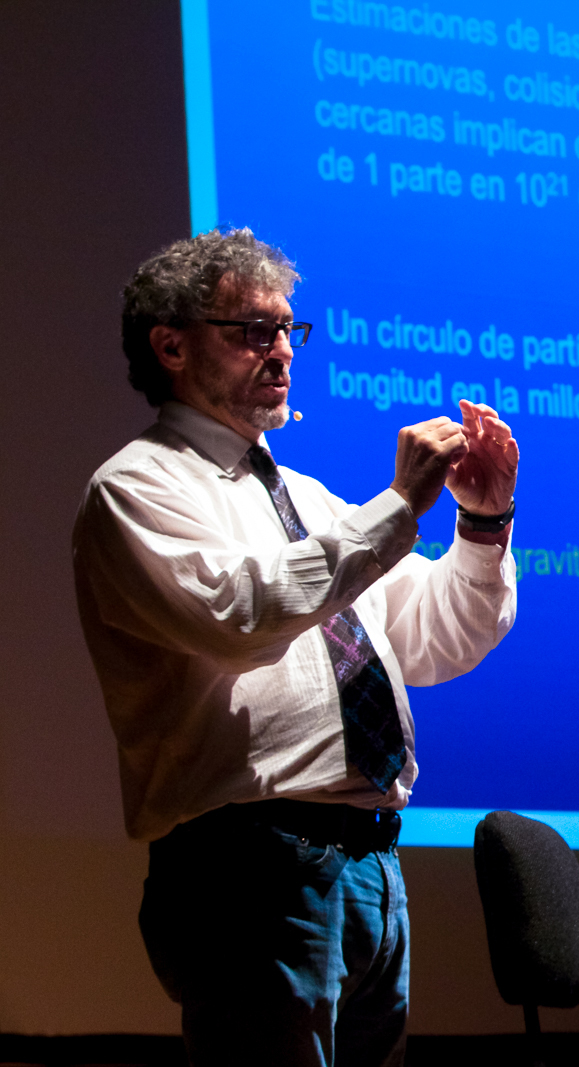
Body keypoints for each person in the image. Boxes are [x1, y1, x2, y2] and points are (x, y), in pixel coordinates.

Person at [71, 227, 519, 1067]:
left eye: (287, 328)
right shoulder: (136, 486)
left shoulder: (309, 500)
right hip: (248, 864)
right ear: (171, 345)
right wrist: (396, 506)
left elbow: (434, 637)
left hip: (371, 864)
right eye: (252, 329)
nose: (280, 349)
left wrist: (482, 522)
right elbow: (239, 615)